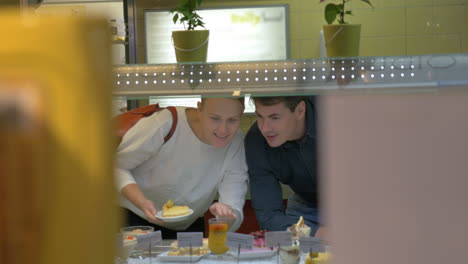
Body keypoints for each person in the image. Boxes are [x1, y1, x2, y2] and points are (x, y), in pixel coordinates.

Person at [115, 97, 248, 239]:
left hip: (190, 225)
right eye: (215, 118)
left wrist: (227, 214)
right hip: (136, 217)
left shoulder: (236, 140)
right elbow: (116, 167)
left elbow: (233, 192)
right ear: (199, 108)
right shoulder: (167, 121)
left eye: (232, 120)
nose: (223, 130)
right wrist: (141, 202)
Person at [244, 96, 325, 237]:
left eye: (275, 117)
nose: (265, 129)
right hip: (302, 208)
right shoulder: (256, 140)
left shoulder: (335, 117)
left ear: (300, 110)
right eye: (260, 116)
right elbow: (269, 217)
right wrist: (317, 233)